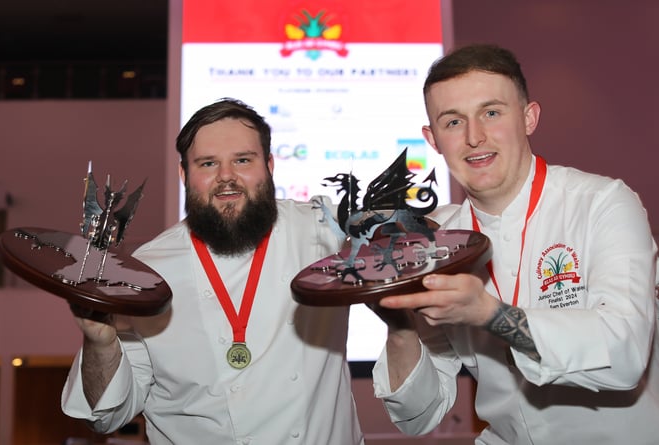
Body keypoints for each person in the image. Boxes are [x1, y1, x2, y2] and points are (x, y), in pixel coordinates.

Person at [371, 44, 659, 444]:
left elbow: (624, 354)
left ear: (528, 118)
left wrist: (490, 314)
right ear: (432, 139)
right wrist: (398, 322)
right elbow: (419, 416)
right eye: (453, 122)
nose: (475, 137)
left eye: (491, 113)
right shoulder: (436, 242)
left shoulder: (603, 203)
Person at [61, 98, 364, 444]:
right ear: (184, 175)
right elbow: (106, 415)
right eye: (208, 164)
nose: (226, 177)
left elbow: (402, 234)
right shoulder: (144, 270)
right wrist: (99, 341)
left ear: (269, 165)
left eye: (243, 160)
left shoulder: (320, 229)